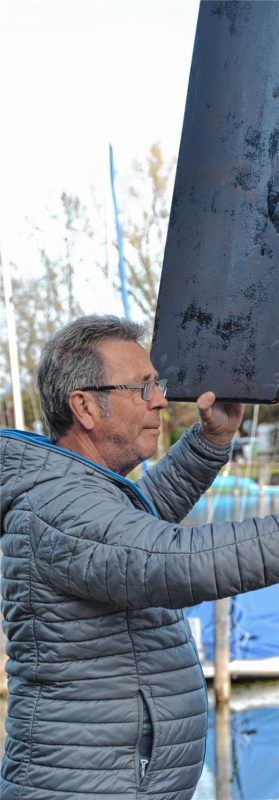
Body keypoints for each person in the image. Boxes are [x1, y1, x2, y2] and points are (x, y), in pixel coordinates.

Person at [1, 314, 278, 800]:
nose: (161, 400)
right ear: (85, 406)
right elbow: (171, 559)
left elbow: (136, 523)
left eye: (157, 383)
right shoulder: (58, 507)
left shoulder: (75, 492)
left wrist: (209, 442)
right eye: (142, 387)